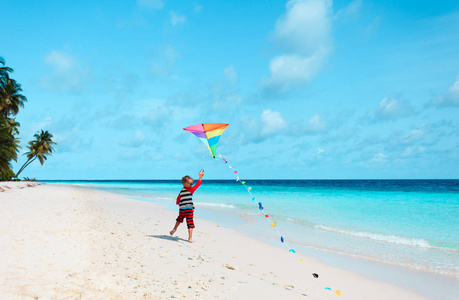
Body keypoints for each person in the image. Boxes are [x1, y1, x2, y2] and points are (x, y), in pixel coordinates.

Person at [170, 170, 204, 243]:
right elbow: (198, 184)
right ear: (185, 184)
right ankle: (190, 238)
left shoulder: (182, 191)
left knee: (179, 219)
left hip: (182, 209)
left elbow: (178, 199)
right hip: (189, 209)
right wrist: (201, 176)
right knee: (190, 223)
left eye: (192, 184)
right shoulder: (191, 189)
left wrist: (179, 204)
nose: (192, 185)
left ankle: (174, 229)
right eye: (190, 184)